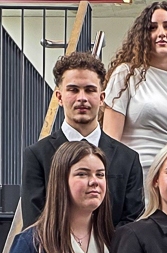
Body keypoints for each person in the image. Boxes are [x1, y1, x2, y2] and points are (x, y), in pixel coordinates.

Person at [22, 50, 144, 227]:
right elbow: (34, 223)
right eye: (73, 90)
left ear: (102, 98)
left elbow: (132, 223)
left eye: (89, 90)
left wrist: (100, 244)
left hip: (113, 245)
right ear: (59, 97)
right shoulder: (37, 156)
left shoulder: (128, 159)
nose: (82, 98)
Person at [103, 0, 167, 169]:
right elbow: (110, 143)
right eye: (152, 28)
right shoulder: (126, 74)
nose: (161, 33)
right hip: (130, 177)